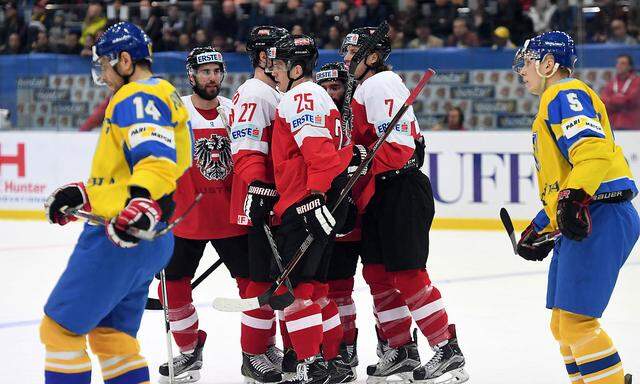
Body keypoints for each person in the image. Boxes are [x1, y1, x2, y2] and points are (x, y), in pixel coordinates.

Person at [40, 21, 191, 384]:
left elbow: (155, 161)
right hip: (151, 236)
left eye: (105, 66)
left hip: (120, 237)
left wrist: (140, 203)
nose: (104, 76)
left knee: (60, 330)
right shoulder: (165, 92)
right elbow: (151, 166)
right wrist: (88, 194)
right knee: (114, 339)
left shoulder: (135, 96)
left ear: (125, 60)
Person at [341, 26, 469, 384]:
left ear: (372, 56)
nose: (346, 58)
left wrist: (359, 157)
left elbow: (398, 150)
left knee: (408, 276)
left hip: (399, 190)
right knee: (379, 276)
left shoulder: (379, 84)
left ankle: (447, 348)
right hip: (380, 193)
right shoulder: (368, 86)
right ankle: (399, 348)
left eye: (353, 52)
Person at [513, 31, 639, 384]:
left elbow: (593, 155)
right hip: (592, 212)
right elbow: (565, 185)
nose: (522, 70)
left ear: (549, 64)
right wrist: (542, 224)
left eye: (527, 62)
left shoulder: (564, 93)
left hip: (603, 212)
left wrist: (574, 199)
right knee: (562, 323)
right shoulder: (554, 100)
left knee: (576, 321)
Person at [155, 46, 278, 384]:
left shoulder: (233, 110)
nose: (211, 78)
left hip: (231, 218)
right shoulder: (175, 112)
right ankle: (188, 350)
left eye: (216, 71)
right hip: (186, 220)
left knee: (256, 285)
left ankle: (260, 350)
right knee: (173, 290)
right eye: (204, 71)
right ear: (191, 75)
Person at [267, 33, 357, 384]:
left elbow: (319, 154)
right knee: (318, 291)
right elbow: (341, 154)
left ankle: (310, 363)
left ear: (296, 67)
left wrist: (312, 198)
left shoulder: (300, 96)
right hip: (319, 205)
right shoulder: (321, 97)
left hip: (301, 204)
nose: (274, 72)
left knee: (298, 292)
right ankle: (334, 362)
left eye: (277, 66)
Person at [228, 25, 291, 383]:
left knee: (275, 278)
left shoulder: (272, 92)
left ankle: (265, 346)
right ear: (263, 56)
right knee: (259, 282)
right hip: (262, 201)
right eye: (276, 52)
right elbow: (247, 149)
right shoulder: (256, 93)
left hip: (274, 199)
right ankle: (252, 353)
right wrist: (259, 188)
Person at [315, 61, 360, 375]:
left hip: (352, 215)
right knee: (325, 288)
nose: (331, 94)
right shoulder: (316, 120)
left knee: (343, 288)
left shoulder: (356, 117)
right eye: (326, 89)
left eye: (336, 87)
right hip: (323, 213)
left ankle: (348, 345)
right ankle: (332, 346)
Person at [601, 54, 640, 130]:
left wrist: (613, 100)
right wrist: (621, 99)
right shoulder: (611, 83)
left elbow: (631, 100)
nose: (619, 65)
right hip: (613, 125)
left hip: (633, 127)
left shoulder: (637, 81)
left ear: (630, 66)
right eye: (618, 63)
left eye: (623, 63)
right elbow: (603, 101)